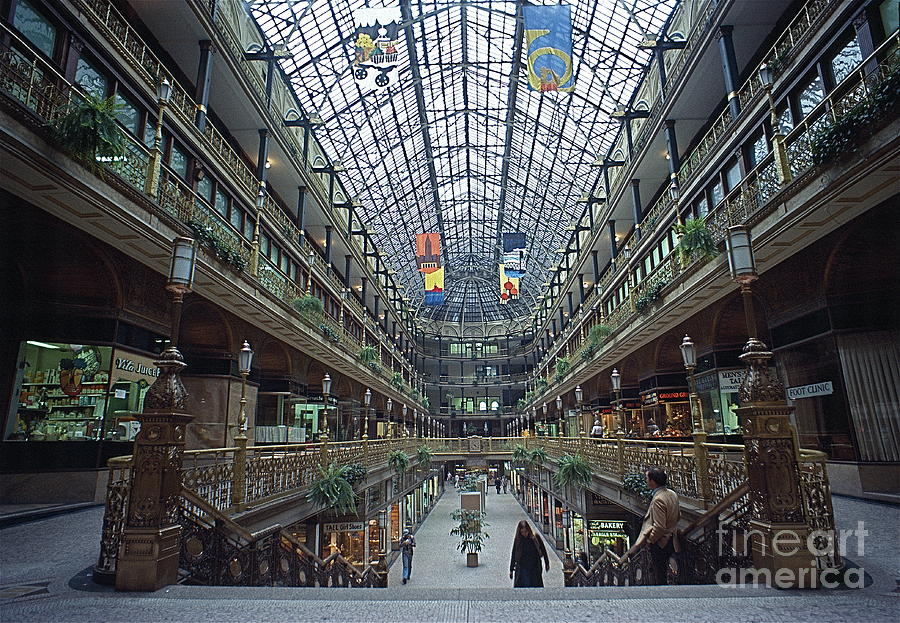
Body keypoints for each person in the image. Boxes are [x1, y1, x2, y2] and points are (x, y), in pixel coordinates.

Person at [628, 467, 680, 585]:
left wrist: (650, 540)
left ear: (652, 481)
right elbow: (678, 515)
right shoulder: (672, 494)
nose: (645, 480)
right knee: (668, 568)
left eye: (647, 478)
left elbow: (659, 527)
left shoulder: (658, 499)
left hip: (662, 542)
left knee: (659, 572)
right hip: (673, 538)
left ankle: (660, 594)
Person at [509, 520, 549, 587]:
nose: (524, 534)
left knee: (534, 585)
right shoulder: (518, 541)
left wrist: (546, 563)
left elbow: (543, 550)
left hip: (534, 568)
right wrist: (511, 570)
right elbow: (514, 554)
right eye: (522, 532)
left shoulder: (535, 538)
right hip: (522, 568)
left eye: (526, 531)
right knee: (525, 585)